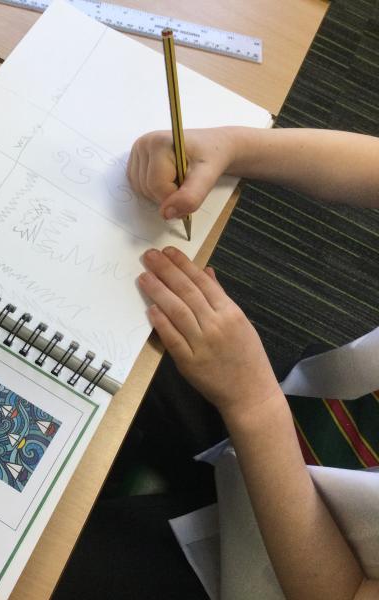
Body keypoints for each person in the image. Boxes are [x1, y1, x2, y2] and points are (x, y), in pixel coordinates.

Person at [128, 126, 379, 599]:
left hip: (275, 568)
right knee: (122, 325)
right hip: (300, 413)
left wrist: (252, 403)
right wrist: (235, 148)